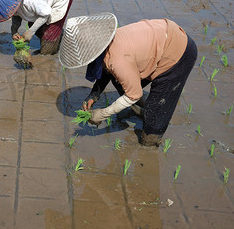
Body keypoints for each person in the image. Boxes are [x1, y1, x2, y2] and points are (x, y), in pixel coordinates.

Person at [59, 13, 198, 146]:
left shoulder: (118, 61)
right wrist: (94, 94)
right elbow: (107, 68)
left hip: (179, 52)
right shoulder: (108, 42)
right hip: (160, 38)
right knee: (120, 80)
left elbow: (133, 93)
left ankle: (152, 137)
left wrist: (102, 114)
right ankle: (138, 110)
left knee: (154, 119)